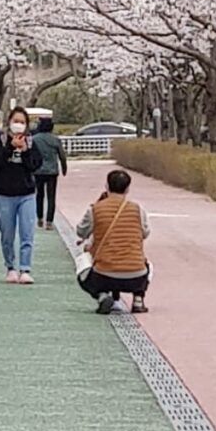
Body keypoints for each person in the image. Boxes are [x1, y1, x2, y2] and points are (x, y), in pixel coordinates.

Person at [75, 166, 151, 313]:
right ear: (128, 189)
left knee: (82, 264)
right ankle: (138, 299)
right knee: (147, 265)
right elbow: (145, 233)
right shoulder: (138, 209)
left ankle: (102, 296)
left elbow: (80, 231)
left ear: (107, 186)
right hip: (136, 275)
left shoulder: (94, 209)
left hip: (104, 275)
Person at [0, 108, 44, 281]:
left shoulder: (31, 142)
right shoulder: (1, 140)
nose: (18, 125)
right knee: (7, 233)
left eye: (22, 122)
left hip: (26, 193)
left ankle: (25, 269)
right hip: (5, 193)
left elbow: (35, 165)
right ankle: (10, 267)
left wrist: (25, 151)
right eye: (15, 121)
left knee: (27, 232)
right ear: (9, 122)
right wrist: (9, 148)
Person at [30, 109, 64, 227]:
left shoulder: (34, 139)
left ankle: (39, 217)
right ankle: (49, 221)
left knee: (39, 195)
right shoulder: (55, 139)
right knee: (51, 196)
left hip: (38, 170)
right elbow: (62, 155)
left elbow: (30, 155)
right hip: (52, 171)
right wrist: (64, 168)